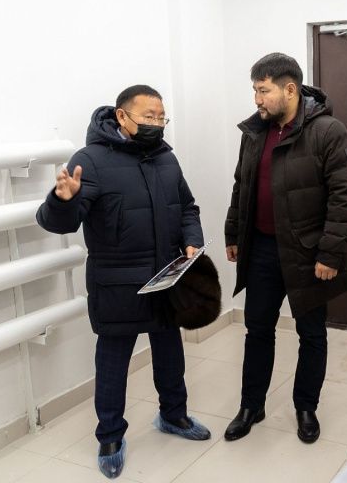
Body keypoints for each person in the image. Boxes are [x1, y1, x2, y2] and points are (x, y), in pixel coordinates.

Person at [36, 85, 210, 479]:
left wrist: (192, 240)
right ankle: (110, 437)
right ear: (121, 116)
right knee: (113, 364)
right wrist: (62, 200)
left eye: (161, 117)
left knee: (170, 354)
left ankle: (174, 415)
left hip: (166, 278)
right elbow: (59, 222)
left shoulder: (166, 158)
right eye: (148, 116)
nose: (156, 124)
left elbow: (187, 207)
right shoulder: (90, 161)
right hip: (117, 285)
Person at [224, 52, 347, 444]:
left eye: (263, 90)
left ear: (289, 89)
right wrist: (234, 233)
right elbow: (242, 185)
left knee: (311, 334)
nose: (257, 99)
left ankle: (306, 407)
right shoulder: (255, 132)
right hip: (262, 250)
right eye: (254, 90)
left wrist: (330, 254)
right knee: (257, 330)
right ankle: (251, 405)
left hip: (308, 252)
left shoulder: (328, 131)